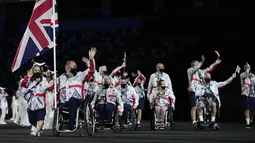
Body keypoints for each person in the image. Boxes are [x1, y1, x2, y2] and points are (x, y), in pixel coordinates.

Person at [58, 48, 96, 131]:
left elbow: (91, 71)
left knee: (72, 100)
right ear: (68, 68)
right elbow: (56, 90)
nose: (76, 68)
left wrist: (91, 59)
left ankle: (71, 125)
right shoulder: (61, 78)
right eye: (74, 66)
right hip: (64, 101)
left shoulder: (80, 75)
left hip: (78, 100)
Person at [187, 55, 221, 128]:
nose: (198, 64)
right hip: (193, 91)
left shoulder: (201, 72)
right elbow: (196, 68)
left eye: (198, 63)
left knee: (205, 105)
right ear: (193, 65)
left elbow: (209, 68)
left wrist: (215, 63)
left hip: (201, 91)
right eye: (197, 63)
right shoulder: (190, 70)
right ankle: (194, 122)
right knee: (194, 107)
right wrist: (202, 62)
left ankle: (206, 120)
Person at [21, 63, 54, 136]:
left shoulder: (44, 80)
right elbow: (23, 84)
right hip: (31, 103)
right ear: (32, 71)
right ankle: (38, 128)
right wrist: (27, 76)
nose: (37, 72)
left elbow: (50, 88)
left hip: (41, 103)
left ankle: (35, 131)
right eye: (35, 70)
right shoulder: (29, 80)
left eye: (38, 70)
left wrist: (54, 82)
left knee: (40, 118)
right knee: (32, 120)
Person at [240, 62, 255, 129]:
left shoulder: (253, 75)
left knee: (252, 110)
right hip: (245, 94)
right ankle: (248, 123)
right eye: (245, 67)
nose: (247, 68)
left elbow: (253, 83)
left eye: (248, 67)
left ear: (250, 68)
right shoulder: (242, 75)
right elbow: (245, 76)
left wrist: (249, 74)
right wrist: (247, 72)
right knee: (247, 109)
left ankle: (251, 120)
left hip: (252, 94)